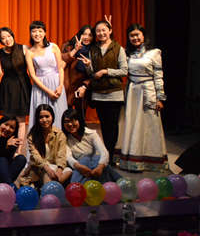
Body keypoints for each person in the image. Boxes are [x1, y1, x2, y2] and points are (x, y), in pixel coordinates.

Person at [117, 24, 169, 172]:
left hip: (148, 92)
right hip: (132, 91)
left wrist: (160, 98)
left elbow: (158, 76)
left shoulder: (154, 53)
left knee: (150, 125)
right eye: (132, 35)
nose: (135, 38)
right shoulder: (127, 54)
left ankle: (151, 161)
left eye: (137, 35)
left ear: (143, 36)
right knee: (132, 124)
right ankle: (131, 160)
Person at [76, 18, 128, 157]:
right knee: (104, 126)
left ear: (110, 30)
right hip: (98, 94)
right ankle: (107, 154)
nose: (101, 33)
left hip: (114, 93)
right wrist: (88, 66)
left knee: (113, 126)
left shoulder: (118, 48)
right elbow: (92, 74)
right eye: (98, 31)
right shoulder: (93, 49)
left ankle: (110, 155)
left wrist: (106, 71)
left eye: (103, 30)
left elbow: (124, 71)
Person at [25, 21, 67, 148]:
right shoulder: (29, 52)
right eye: (34, 31)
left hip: (56, 84)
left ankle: (59, 149)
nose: (37, 34)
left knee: (59, 114)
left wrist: (60, 85)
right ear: (30, 34)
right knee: (41, 117)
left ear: (44, 33)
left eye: (40, 31)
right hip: (40, 87)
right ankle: (40, 149)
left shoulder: (53, 47)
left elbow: (60, 68)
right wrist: (48, 91)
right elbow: (33, 75)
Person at [0, 27, 30, 152]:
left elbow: (31, 68)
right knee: (8, 121)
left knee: (21, 121)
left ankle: (18, 150)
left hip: (22, 86)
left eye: (8, 36)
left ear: (12, 36)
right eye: (3, 38)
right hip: (8, 87)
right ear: (0, 40)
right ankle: (5, 147)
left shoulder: (23, 48)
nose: (7, 40)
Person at [61, 108, 121, 183]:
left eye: (73, 120)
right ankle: (118, 181)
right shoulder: (64, 138)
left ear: (79, 120)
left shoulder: (91, 134)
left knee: (98, 160)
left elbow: (104, 152)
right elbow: (68, 157)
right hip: (79, 166)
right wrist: (78, 166)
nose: (70, 124)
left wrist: (100, 167)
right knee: (85, 162)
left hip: (94, 164)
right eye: (66, 122)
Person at [19, 104, 71, 186]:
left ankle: (49, 187)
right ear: (37, 119)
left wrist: (59, 171)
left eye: (47, 116)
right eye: (41, 117)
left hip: (55, 166)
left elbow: (61, 154)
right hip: (40, 167)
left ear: (52, 117)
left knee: (67, 172)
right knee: (47, 175)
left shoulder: (59, 134)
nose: (44, 120)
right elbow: (36, 157)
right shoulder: (32, 135)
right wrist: (48, 169)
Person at [61, 25, 93, 111]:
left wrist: (85, 86)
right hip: (67, 86)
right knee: (65, 114)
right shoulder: (69, 46)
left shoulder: (94, 51)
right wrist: (75, 50)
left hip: (82, 88)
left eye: (90, 35)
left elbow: (94, 73)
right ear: (79, 35)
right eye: (84, 34)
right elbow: (61, 60)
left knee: (80, 114)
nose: (86, 37)